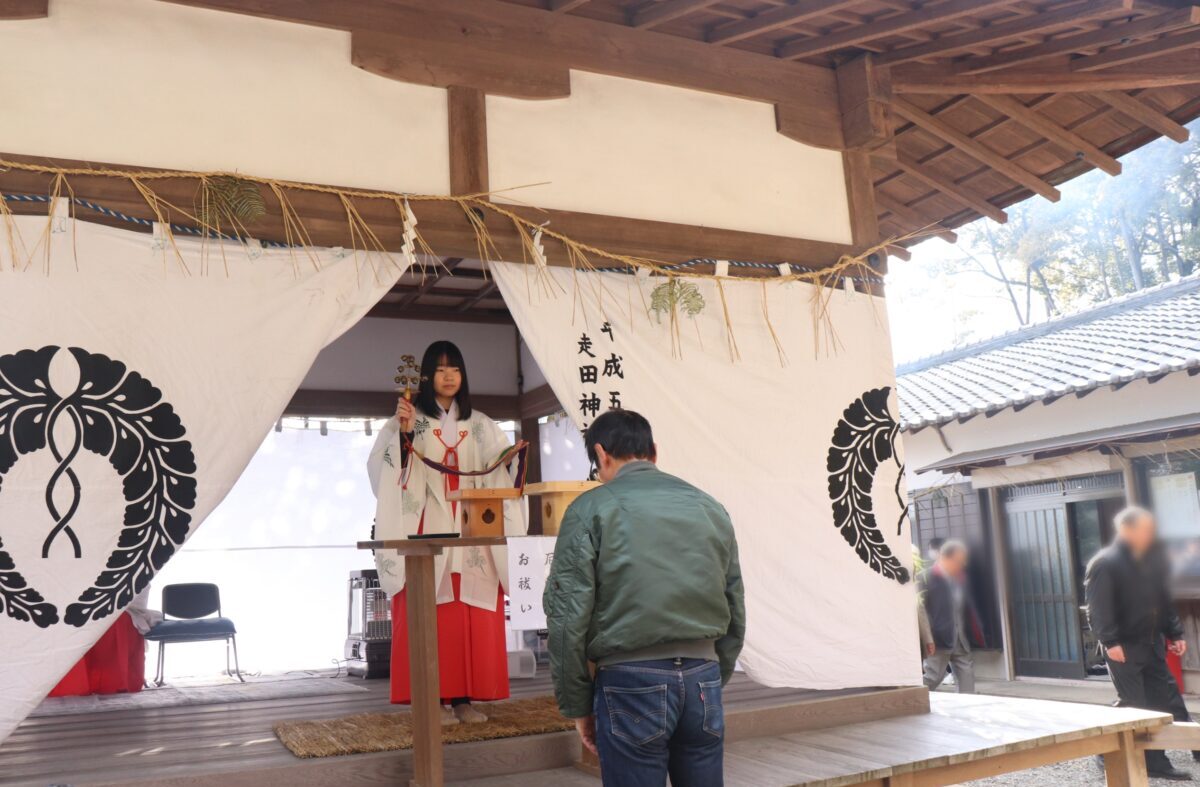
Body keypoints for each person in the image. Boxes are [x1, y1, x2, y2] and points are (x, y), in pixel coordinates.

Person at [544, 410, 745, 787]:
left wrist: (577, 705)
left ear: (602, 455)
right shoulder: (709, 507)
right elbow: (735, 603)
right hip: (703, 679)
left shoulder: (589, 510)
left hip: (630, 680)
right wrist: (714, 678)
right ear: (653, 451)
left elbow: (567, 618)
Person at [367, 340, 524, 725]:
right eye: (439, 369)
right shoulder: (409, 419)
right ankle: (431, 699)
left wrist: (513, 458)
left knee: (469, 615)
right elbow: (383, 471)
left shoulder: (483, 425)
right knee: (430, 617)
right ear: (425, 376)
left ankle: (464, 700)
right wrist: (403, 436)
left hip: (472, 529)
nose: (449, 375)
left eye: (454, 367)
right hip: (428, 525)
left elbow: (502, 469)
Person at [1085, 506, 1197, 780]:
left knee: (1161, 701)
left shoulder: (1150, 560)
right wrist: (1110, 641)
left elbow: (1162, 600)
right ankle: (1103, 750)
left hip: (1152, 642)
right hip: (1123, 646)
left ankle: (1157, 762)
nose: (1151, 534)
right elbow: (1098, 608)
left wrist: (1176, 633)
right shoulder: (1105, 562)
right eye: (1145, 529)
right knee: (1133, 702)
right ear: (1127, 530)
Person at [920, 540, 984, 693]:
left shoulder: (960, 578)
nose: (962, 564)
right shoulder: (927, 577)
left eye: (963, 561)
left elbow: (966, 607)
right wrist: (928, 637)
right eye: (958, 561)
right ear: (944, 558)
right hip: (938, 639)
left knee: (967, 677)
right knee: (932, 677)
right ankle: (907, 700)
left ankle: (966, 710)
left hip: (960, 638)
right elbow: (920, 610)